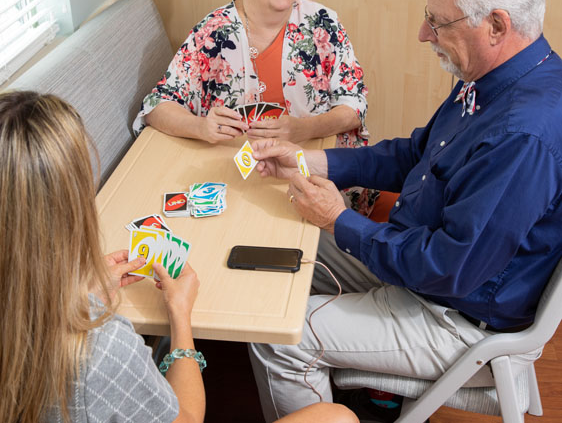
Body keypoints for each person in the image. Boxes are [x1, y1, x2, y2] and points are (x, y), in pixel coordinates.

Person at [245, 0, 562, 421]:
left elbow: (449, 267)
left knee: (278, 333)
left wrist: (337, 220)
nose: (422, 33)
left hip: (456, 314)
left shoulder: (524, 134)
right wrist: (312, 162)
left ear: (496, 25)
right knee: (281, 242)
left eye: (438, 21)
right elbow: (415, 153)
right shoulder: (489, 81)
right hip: (417, 258)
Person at [0, 90, 358, 423]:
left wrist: (81, 296)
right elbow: (187, 416)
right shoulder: (101, 346)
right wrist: (181, 317)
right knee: (337, 417)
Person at [133, 0, 374, 212]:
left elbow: (354, 106)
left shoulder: (323, 24)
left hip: (316, 175)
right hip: (238, 181)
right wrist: (201, 126)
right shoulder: (214, 33)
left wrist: (304, 128)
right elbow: (158, 105)